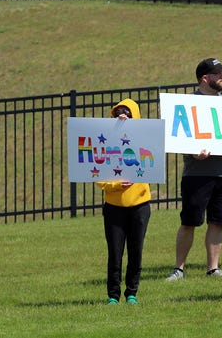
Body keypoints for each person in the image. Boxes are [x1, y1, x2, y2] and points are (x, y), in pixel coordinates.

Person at [166, 58, 222, 281]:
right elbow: (178, 136)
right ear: (205, 78)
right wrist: (193, 151)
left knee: (217, 221)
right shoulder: (188, 104)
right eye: (217, 73)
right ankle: (179, 269)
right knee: (189, 222)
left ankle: (213, 268)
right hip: (196, 173)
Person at [96, 98, 151, 305]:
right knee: (115, 253)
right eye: (118, 112)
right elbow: (99, 176)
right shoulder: (107, 141)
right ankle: (113, 295)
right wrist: (116, 185)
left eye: (127, 112)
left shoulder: (145, 139)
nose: (122, 115)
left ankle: (132, 292)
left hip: (140, 206)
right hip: (114, 208)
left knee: (136, 251)